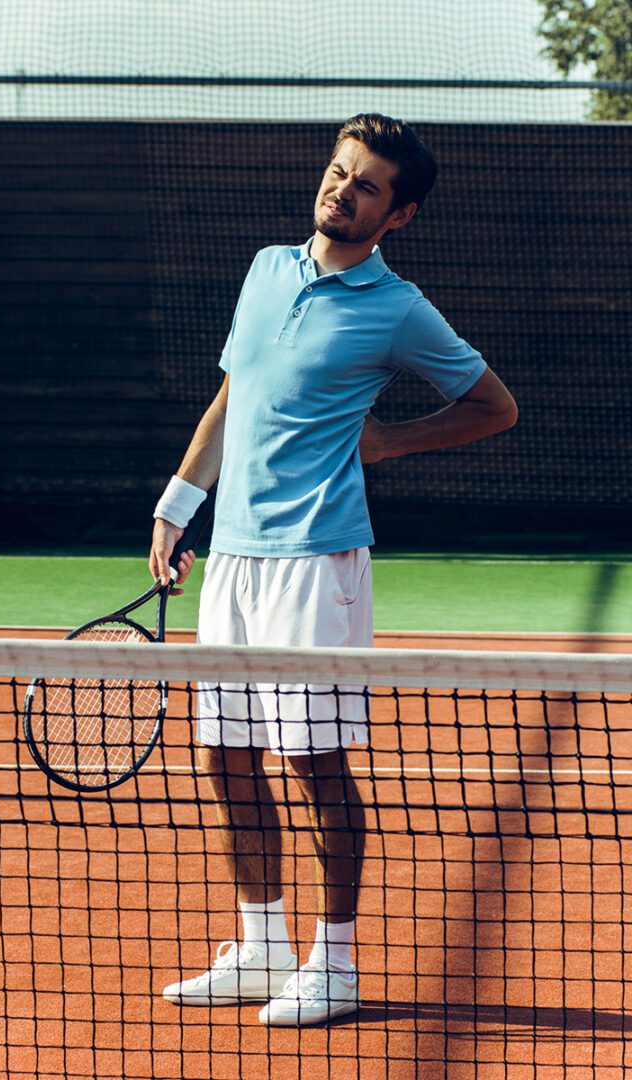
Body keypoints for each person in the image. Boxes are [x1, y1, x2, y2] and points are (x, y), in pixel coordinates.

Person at [149, 113, 518, 1027]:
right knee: (225, 758)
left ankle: (335, 964)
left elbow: (492, 405)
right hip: (232, 559)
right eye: (338, 172)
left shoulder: (398, 309)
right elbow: (232, 401)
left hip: (317, 564)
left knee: (314, 764)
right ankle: (262, 945)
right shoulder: (267, 269)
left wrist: (391, 441)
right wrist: (175, 506)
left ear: (398, 215)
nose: (341, 190)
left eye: (366, 186)